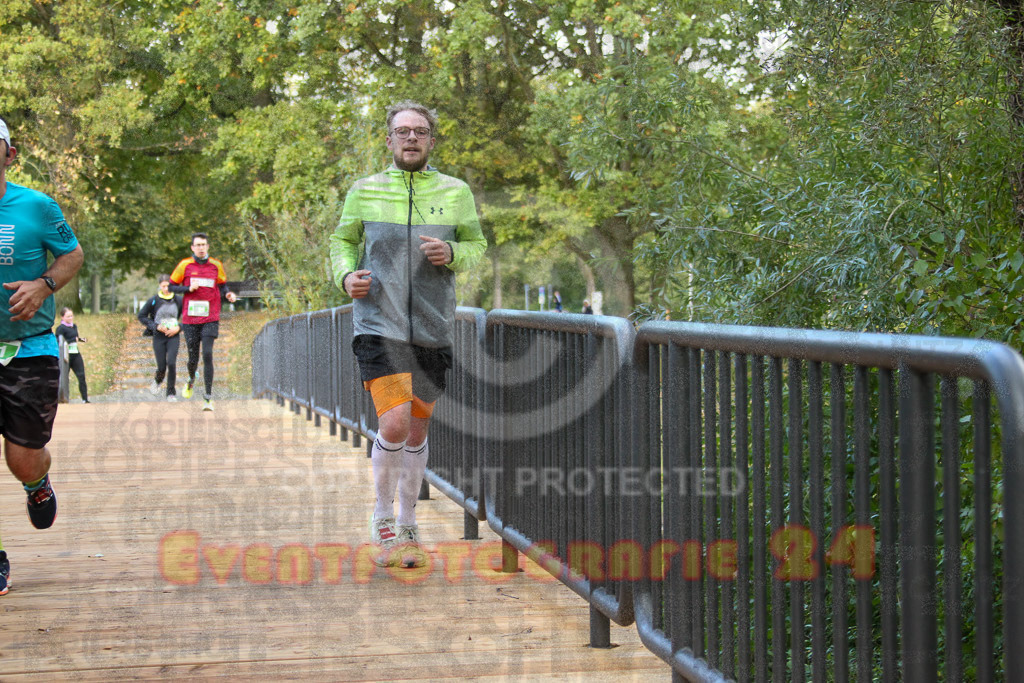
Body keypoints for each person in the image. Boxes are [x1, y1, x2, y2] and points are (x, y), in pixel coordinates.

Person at [330, 101, 487, 568]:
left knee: (417, 426)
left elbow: (477, 245)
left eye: (420, 131)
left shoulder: (455, 192)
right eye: (403, 131)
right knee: (394, 422)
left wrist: (455, 252)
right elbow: (341, 241)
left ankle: (408, 521)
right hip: (379, 323)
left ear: (432, 141)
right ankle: (383, 519)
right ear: (389, 140)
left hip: (433, 327)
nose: (412, 138)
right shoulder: (365, 191)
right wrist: (345, 276)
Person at [0, 117, 85, 595]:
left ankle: (38, 485)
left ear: (10, 154)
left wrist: (44, 284)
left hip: (28, 348)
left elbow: (72, 255)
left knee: (23, 456)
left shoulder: (35, 205)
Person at [168, 233, 237, 411]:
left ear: (207, 247)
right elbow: (170, 286)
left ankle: (208, 397)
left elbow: (223, 285)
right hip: (190, 318)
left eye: (203, 245)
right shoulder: (185, 265)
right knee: (193, 358)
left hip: (211, 316)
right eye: (197, 245)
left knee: (207, 354)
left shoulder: (216, 265)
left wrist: (228, 293)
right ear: (192, 248)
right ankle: (191, 380)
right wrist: (187, 288)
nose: (201, 248)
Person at [137, 274, 183, 401]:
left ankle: (171, 393)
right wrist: (155, 326)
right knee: (162, 366)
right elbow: (141, 316)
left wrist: (179, 327)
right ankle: (157, 381)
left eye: (168, 286)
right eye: (163, 286)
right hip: (159, 337)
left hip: (173, 336)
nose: (166, 288)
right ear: (160, 286)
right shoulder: (154, 300)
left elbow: (190, 317)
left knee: (172, 363)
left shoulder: (179, 300)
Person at [54, 308, 88, 403]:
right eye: (68, 316)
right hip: (65, 355)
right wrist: (73, 340)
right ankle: (64, 398)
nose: (70, 318)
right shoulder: (60, 328)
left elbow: (75, 338)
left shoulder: (74, 326)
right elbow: (59, 342)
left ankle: (85, 399)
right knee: (64, 378)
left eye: (71, 316)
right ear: (62, 317)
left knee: (81, 376)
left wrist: (82, 339)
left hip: (75, 354)